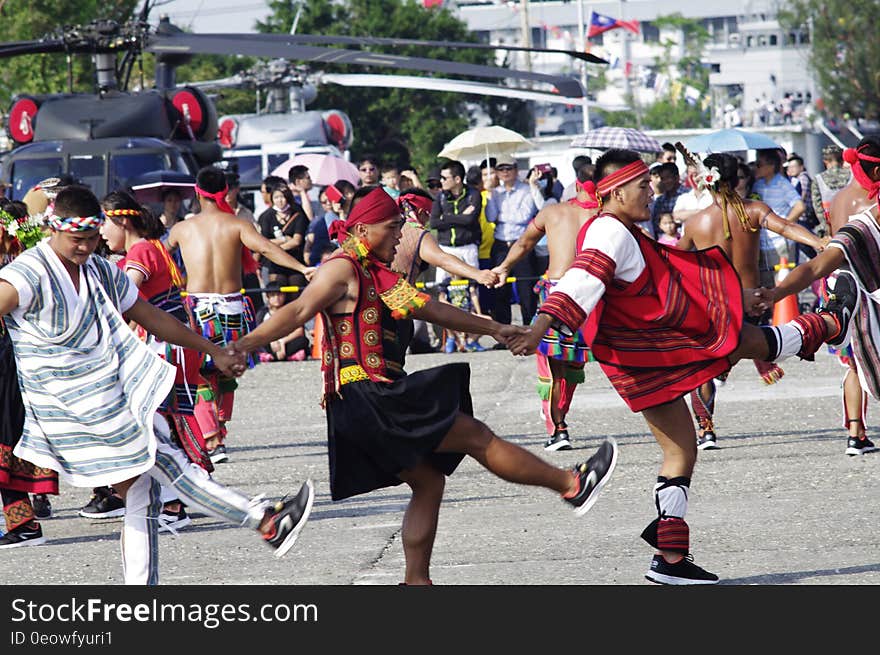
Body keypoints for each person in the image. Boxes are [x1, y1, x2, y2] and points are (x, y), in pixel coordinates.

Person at [230, 185, 618, 585]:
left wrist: (497, 328)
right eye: (393, 227)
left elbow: (430, 307)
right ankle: (572, 484)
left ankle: (416, 582)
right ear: (362, 230)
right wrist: (242, 345)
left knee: (429, 481)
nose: (401, 235)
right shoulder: (341, 268)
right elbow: (297, 309)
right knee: (477, 437)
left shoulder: (373, 272)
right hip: (370, 395)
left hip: (368, 398)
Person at [508, 149, 856, 584]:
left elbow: (667, 274)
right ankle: (824, 323)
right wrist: (541, 325)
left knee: (680, 449)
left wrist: (732, 297)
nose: (651, 193)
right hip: (651, 350)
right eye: (643, 186)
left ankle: (671, 560)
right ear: (615, 191)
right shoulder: (610, 231)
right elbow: (583, 279)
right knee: (736, 341)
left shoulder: (621, 228)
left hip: (635, 357)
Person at [0, 185, 315, 583]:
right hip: (71, 406)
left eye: (91, 239)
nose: (84, 248)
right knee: (167, 461)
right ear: (54, 230)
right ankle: (265, 521)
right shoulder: (25, 274)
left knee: (143, 493)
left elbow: (150, 315)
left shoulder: (98, 270)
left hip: (111, 396)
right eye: (76, 240)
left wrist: (210, 350)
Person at [675, 151, 829, 449]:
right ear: (737, 180)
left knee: (707, 366)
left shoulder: (696, 222)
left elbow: (677, 260)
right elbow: (786, 227)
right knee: (727, 359)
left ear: (708, 183)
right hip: (753, 301)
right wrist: (818, 241)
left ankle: (706, 430)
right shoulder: (755, 210)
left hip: (715, 303)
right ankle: (744, 369)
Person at [166, 166, 315, 464]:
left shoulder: (182, 229)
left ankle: (212, 435)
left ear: (197, 191)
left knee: (202, 375)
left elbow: (158, 258)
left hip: (197, 309)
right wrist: (302, 268)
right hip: (233, 307)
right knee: (226, 370)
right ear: (226, 191)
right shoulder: (237, 225)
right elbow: (268, 250)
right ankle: (214, 432)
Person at [98, 190, 224, 529]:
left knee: (156, 423)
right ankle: (177, 496)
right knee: (168, 421)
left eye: (104, 224)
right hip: (175, 343)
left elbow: (124, 296)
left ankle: (172, 504)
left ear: (122, 220)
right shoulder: (154, 245)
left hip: (163, 345)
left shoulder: (140, 251)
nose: (101, 233)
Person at [491, 168, 599, 451]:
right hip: (589, 294)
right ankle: (559, 419)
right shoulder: (606, 216)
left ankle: (557, 429)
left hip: (557, 290)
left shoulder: (554, 212)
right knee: (573, 363)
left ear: (576, 184)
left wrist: (503, 267)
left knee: (552, 364)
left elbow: (525, 242)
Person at [0, 200, 57, 547]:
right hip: (15, 356)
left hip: (8, 357)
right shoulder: (26, 253)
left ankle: (24, 525)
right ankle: (23, 523)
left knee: (7, 440)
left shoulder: (17, 257)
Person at [819, 138, 880, 455]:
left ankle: (856, 433)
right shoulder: (873, 202)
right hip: (868, 286)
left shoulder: (839, 198)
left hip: (837, 285)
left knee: (854, 365)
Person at [392, 188, 497, 358]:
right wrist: (478, 274)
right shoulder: (417, 232)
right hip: (396, 307)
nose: (428, 221)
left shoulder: (383, 226)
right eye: (427, 215)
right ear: (421, 212)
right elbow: (442, 259)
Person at [486, 154, 541, 330]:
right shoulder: (495, 192)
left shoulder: (526, 190)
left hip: (522, 243)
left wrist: (503, 217)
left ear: (516, 170)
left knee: (526, 288)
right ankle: (503, 330)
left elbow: (524, 216)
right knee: (499, 288)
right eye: (501, 169)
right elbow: (490, 216)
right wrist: (489, 194)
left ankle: (529, 327)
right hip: (501, 243)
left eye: (508, 168)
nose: (505, 172)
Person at [753, 148, 805, 282]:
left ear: (771, 166)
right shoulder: (757, 185)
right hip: (763, 242)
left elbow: (799, 206)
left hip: (780, 243)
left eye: (759, 164)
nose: (756, 167)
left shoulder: (783, 184)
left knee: (784, 284)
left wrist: (784, 226)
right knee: (766, 282)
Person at [430, 160, 482, 285]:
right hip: (445, 248)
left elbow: (470, 220)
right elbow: (434, 223)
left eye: (444, 178)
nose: (441, 181)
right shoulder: (440, 197)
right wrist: (460, 217)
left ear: (457, 179)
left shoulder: (474, 195)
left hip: (468, 247)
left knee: (473, 287)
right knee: (442, 287)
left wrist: (446, 217)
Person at [258, 182, 309, 292]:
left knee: (296, 290)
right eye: (276, 197)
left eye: (282, 197)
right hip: (274, 263)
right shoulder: (266, 216)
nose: (280, 200)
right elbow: (264, 241)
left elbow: (296, 241)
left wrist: (276, 247)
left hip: (295, 261)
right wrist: (284, 240)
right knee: (277, 291)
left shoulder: (298, 214)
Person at [255, 282, 309, 362]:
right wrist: (271, 341)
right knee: (257, 342)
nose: (277, 298)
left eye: (279, 295)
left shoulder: (290, 311)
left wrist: (282, 341)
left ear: (284, 295)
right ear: (267, 297)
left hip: (286, 341)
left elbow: (299, 331)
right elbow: (258, 332)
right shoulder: (263, 313)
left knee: (303, 340)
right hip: (269, 342)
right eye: (273, 295)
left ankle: (273, 357)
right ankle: (286, 356)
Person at [437, 272, 488, 353]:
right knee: (444, 317)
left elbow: (473, 296)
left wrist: (479, 313)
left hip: (467, 311)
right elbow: (441, 299)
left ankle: (471, 341)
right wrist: (452, 307)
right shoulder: (446, 282)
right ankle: (451, 338)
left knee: (488, 320)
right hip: (453, 312)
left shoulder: (468, 281)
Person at [810, 144, 851, 236]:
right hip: (850, 225)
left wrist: (825, 225)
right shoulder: (852, 176)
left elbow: (817, 206)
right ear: (842, 160)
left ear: (825, 161)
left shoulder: (818, 179)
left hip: (830, 228)